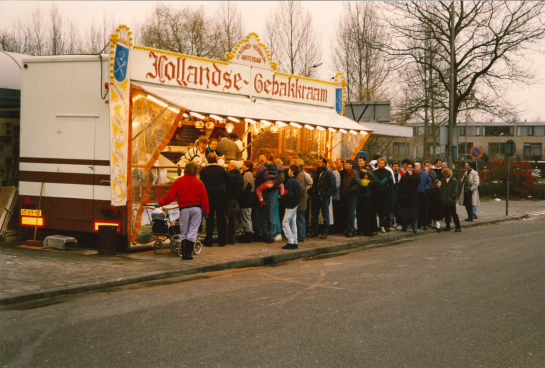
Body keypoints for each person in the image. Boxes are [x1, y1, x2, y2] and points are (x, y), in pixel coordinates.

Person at [157, 162, 209, 260]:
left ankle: (184, 254)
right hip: (196, 209)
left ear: (185, 170)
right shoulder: (199, 182)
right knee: (193, 230)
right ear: (196, 170)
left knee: (184, 231)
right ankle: (188, 253)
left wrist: (160, 203)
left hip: (184, 208)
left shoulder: (179, 181)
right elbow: (204, 198)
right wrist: (206, 211)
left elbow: (170, 196)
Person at [199, 153, 231, 247]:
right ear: (216, 160)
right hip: (220, 195)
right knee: (221, 217)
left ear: (207, 160)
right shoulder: (221, 169)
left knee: (210, 218)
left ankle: (208, 239)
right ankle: (222, 240)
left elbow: (201, 183)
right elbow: (227, 181)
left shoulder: (203, 170)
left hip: (208, 195)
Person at [255, 154, 284, 243]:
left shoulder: (266, 168)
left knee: (270, 214)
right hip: (268, 191)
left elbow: (281, 179)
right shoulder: (276, 168)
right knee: (267, 214)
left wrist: (271, 184)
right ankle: (268, 234)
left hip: (270, 191)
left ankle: (270, 235)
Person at [308, 156, 336, 239]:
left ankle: (325, 232)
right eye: (318, 162)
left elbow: (333, 187)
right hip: (316, 196)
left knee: (325, 215)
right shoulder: (317, 172)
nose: (318, 163)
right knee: (314, 215)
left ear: (324, 163)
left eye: (320, 162)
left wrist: (326, 195)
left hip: (323, 197)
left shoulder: (329, 173)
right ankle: (314, 231)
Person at [279, 165, 302, 249]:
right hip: (295, 204)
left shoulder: (290, 182)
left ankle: (290, 241)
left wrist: (280, 198)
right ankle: (295, 241)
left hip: (290, 204)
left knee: (285, 222)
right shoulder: (296, 181)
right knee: (293, 222)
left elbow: (289, 194)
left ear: (292, 171)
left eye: (289, 170)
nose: (288, 171)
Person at [341, 159, 361, 237]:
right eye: (345, 164)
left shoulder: (354, 173)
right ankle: (349, 228)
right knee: (347, 213)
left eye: (347, 164)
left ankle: (352, 230)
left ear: (351, 165)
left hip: (352, 196)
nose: (345, 166)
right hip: (346, 195)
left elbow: (358, 184)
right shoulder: (346, 173)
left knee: (351, 213)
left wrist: (350, 190)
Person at [398, 162, 421, 233]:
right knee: (405, 213)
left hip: (413, 197)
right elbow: (400, 185)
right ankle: (404, 227)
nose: (409, 169)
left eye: (411, 168)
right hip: (405, 198)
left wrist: (411, 176)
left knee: (414, 214)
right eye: (408, 167)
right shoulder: (404, 176)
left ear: (413, 168)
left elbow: (417, 182)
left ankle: (414, 227)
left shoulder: (416, 176)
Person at [373, 157, 394, 233]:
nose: (381, 164)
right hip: (376, 196)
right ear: (377, 163)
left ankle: (383, 226)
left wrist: (388, 192)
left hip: (385, 196)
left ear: (385, 164)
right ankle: (375, 227)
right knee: (375, 211)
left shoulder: (388, 173)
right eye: (380, 163)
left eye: (383, 163)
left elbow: (391, 184)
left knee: (384, 211)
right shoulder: (374, 172)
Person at [225, 160, 244, 244]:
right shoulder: (240, 176)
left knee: (226, 217)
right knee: (233, 218)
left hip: (228, 198)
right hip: (235, 199)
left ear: (232, 166)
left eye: (229, 165)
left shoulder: (228, 176)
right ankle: (232, 239)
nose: (227, 166)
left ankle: (225, 238)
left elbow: (225, 188)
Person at [238, 160, 255, 243]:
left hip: (247, 198)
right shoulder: (250, 173)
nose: (242, 165)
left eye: (244, 164)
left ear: (247, 166)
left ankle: (248, 236)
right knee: (247, 216)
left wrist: (242, 193)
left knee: (246, 216)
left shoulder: (247, 174)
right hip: (249, 198)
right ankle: (248, 234)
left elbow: (248, 185)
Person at [357, 162, 375, 236]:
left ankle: (359, 230)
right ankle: (366, 231)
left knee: (359, 216)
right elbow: (373, 177)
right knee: (367, 216)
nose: (366, 176)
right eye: (365, 175)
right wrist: (367, 171)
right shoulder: (368, 182)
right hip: (366, 199)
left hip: (360, 199)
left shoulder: (359, 181)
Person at [296, 159, 313, 243]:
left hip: (301, 198)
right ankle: (300, 235)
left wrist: (305, 189)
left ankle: (301, 235)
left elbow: (310, 183)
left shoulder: (304, 175)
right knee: (299, 217)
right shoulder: (299, 174)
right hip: (301, 197)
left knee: (300, 216)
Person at [441, 168, 462, 232]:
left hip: (451, 200)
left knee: (453, 214)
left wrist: (452, 197)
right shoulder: (443, 180)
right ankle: (447, 226)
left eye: (446, 174)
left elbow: (455, 190)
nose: (445, 176)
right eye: (444, 175)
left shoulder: (454, 180)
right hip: (444, 200)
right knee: (446, 214)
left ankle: (458, 227)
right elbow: (441, 189)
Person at [414, 162, 432, 230]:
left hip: (423, 194)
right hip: (415, 194)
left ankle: (424, 224)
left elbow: (429, 182)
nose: (415, 167)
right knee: (417, 209)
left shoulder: (424, 174)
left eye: (417, 165)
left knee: (424, 209)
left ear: (420, 166)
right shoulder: (412, 174)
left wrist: (425, 189)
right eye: (414, 165)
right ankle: (418, 224)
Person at [328, 158, 341, 233]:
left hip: (334, 196)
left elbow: (337, 184)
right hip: (329, 195)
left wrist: (330, 191)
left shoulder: (335, 172)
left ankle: (334, 228)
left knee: (334, 212)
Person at [391, 162, 403, 230]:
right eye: (394, 166)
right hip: (392, 193)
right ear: (392, 167)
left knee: (398, 209)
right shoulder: (391, 174)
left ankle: (399, 223)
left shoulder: (400, 174)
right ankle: (392, 223)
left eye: (396, 166)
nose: (395, 167)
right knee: (392, 209)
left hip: (399, 194)